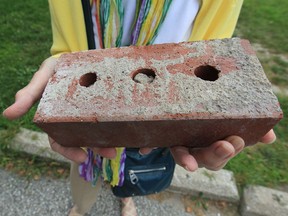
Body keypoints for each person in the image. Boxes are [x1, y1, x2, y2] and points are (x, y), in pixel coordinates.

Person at [3, 0, 277, 215]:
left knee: (137, 165)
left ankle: (127, 200)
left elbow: (212, 50)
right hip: (91, 136)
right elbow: (67, 37)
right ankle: (82, 207)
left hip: (165, 115)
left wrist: (209, 114)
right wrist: (61, 61)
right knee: (86, 166)